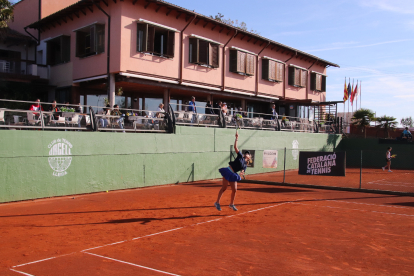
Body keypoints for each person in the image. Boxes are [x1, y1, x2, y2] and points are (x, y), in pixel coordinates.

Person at [215, 132, 251, 211]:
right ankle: (217, 202)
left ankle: (231, 204)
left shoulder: (245, 165)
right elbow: (235, 147)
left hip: (233, 174)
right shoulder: (240, 155)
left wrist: (242, 173)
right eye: (246, 153)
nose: (246, 154)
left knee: (234, 190)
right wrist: (236, 138)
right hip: (228, 171)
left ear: (249, 157)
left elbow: (242, 171)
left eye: (248, 154)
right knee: (224, 188)